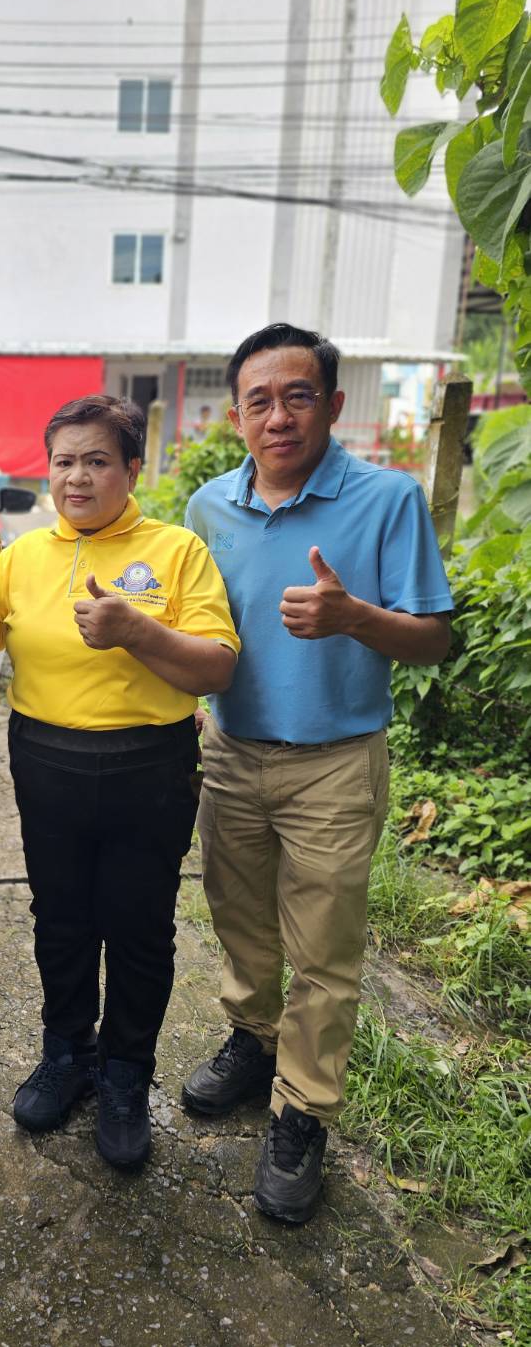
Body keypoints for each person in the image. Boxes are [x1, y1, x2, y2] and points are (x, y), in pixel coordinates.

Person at [181, 322, 453, 1223]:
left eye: (298, 396)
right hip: (232, 750)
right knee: (240, 919)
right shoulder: (209, 507)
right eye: (258, 401)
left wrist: (353, 616)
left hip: (336, 762)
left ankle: (302, 1111)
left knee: (325, 951)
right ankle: (254, 1040)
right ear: (235, 416)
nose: (279, 417)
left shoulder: (388, 498)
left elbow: (434, 639)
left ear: (332, 404)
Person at [0, 394, 240, 1169]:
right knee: (61, 918)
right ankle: (67, 1052)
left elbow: (216, 665)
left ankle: (125, 1072)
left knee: (138, 927)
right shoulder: (23, 556)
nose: (77, 477)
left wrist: (136, 629)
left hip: (151, 763)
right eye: (64, 461)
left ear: (133, 468)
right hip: (46, 760)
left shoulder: (175, 549)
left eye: (98, 460)